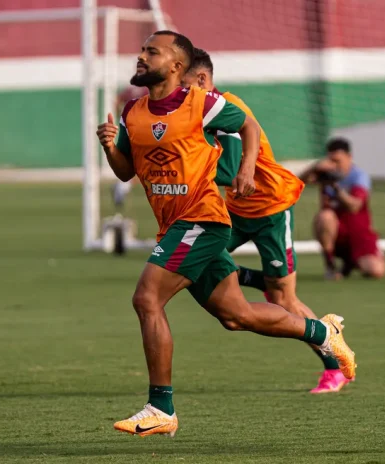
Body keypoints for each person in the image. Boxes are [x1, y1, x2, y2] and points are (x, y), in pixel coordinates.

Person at [95, 31, 356, 437]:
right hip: (174, 224)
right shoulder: (133, 111)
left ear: (177, 67)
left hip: (203, 219)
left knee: (147, 298)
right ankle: (323, 332)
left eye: (152, 52)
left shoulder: (202, 103)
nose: (141, 56)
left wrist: (248, 168)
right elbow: (126, 171)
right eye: (142, 50)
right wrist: (112, 147)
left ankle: (161, 407)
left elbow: (247, 125)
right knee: (238, 316)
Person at [181, 48, 352, 394]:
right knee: (190, 261)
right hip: (236, 209)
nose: (178, 93)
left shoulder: (225, 107)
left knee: (284, 300)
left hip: (272, 207)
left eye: (183, 85)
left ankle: (334, 366)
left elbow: (226, 170)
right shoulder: (195, 111)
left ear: (202, 81)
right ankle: (253, 277)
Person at [301, 138, 385, 280]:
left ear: (349, 157)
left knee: (375, 271)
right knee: (325, 216)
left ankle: (353, 262)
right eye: (331, 160)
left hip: (359, 234)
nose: (334, 165)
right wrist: (314, 168)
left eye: (338, 161)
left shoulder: (358, 176)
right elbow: (295, 182)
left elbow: (354, 206)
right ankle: (330, 267)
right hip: (336, 232)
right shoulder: (324, 174)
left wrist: (335, 187)